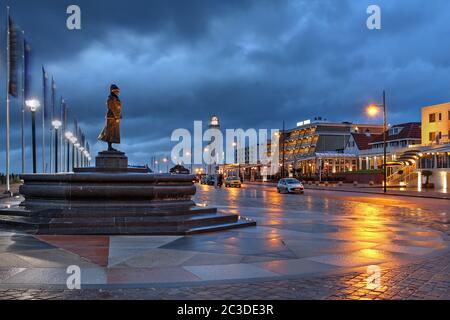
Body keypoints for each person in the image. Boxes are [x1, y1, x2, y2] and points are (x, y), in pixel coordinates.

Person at [98, 84, 122, 151]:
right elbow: (112, 108)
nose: (118, 93)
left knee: (113, 133)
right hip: (111, 117)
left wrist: (119, 115)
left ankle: (110, 147)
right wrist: (117, 116)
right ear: (113, 91)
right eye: (117, 91)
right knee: (110, 132)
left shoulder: (115, 98)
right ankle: (109, 147)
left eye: (118, 92)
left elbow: (117, 108)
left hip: (114, 117)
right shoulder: (111, 98)